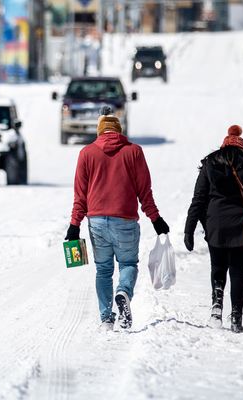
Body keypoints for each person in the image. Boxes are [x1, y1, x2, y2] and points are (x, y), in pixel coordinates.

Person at [65, 107, 169, 330]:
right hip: (125, 221)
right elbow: (145, 191)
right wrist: (156, 219)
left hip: (97, 222)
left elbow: (80, 195)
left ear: (99, 131)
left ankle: (106, 319)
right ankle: (123, 292)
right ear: (119, 131)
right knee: (128, 263)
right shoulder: (134, 152)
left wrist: (74, 225)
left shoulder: (86, 153)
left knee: (103, 270)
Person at [184, 125, 243, 333]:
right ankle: (236, 318)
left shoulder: (210, 163)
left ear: (224, 145)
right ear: (242, 147)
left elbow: (199, 199)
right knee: (238, 273)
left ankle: (216, 310)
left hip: (216, 226)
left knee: (218, 268)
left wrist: (189, 229)